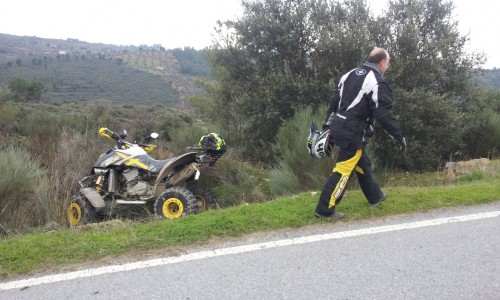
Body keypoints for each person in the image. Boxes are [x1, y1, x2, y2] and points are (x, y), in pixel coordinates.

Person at [314, 47, 406, 219]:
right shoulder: (377, 81)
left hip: (340, 127)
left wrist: (327, 125)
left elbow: (334, 102)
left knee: (362, 162)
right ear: (381, 62)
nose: (388, 66)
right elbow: (384, 115)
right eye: (388, 62)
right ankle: (324, 209)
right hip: (354, 133)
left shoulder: (348, 74)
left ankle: (375, 196)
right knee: (343, 170)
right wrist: (398, 136)